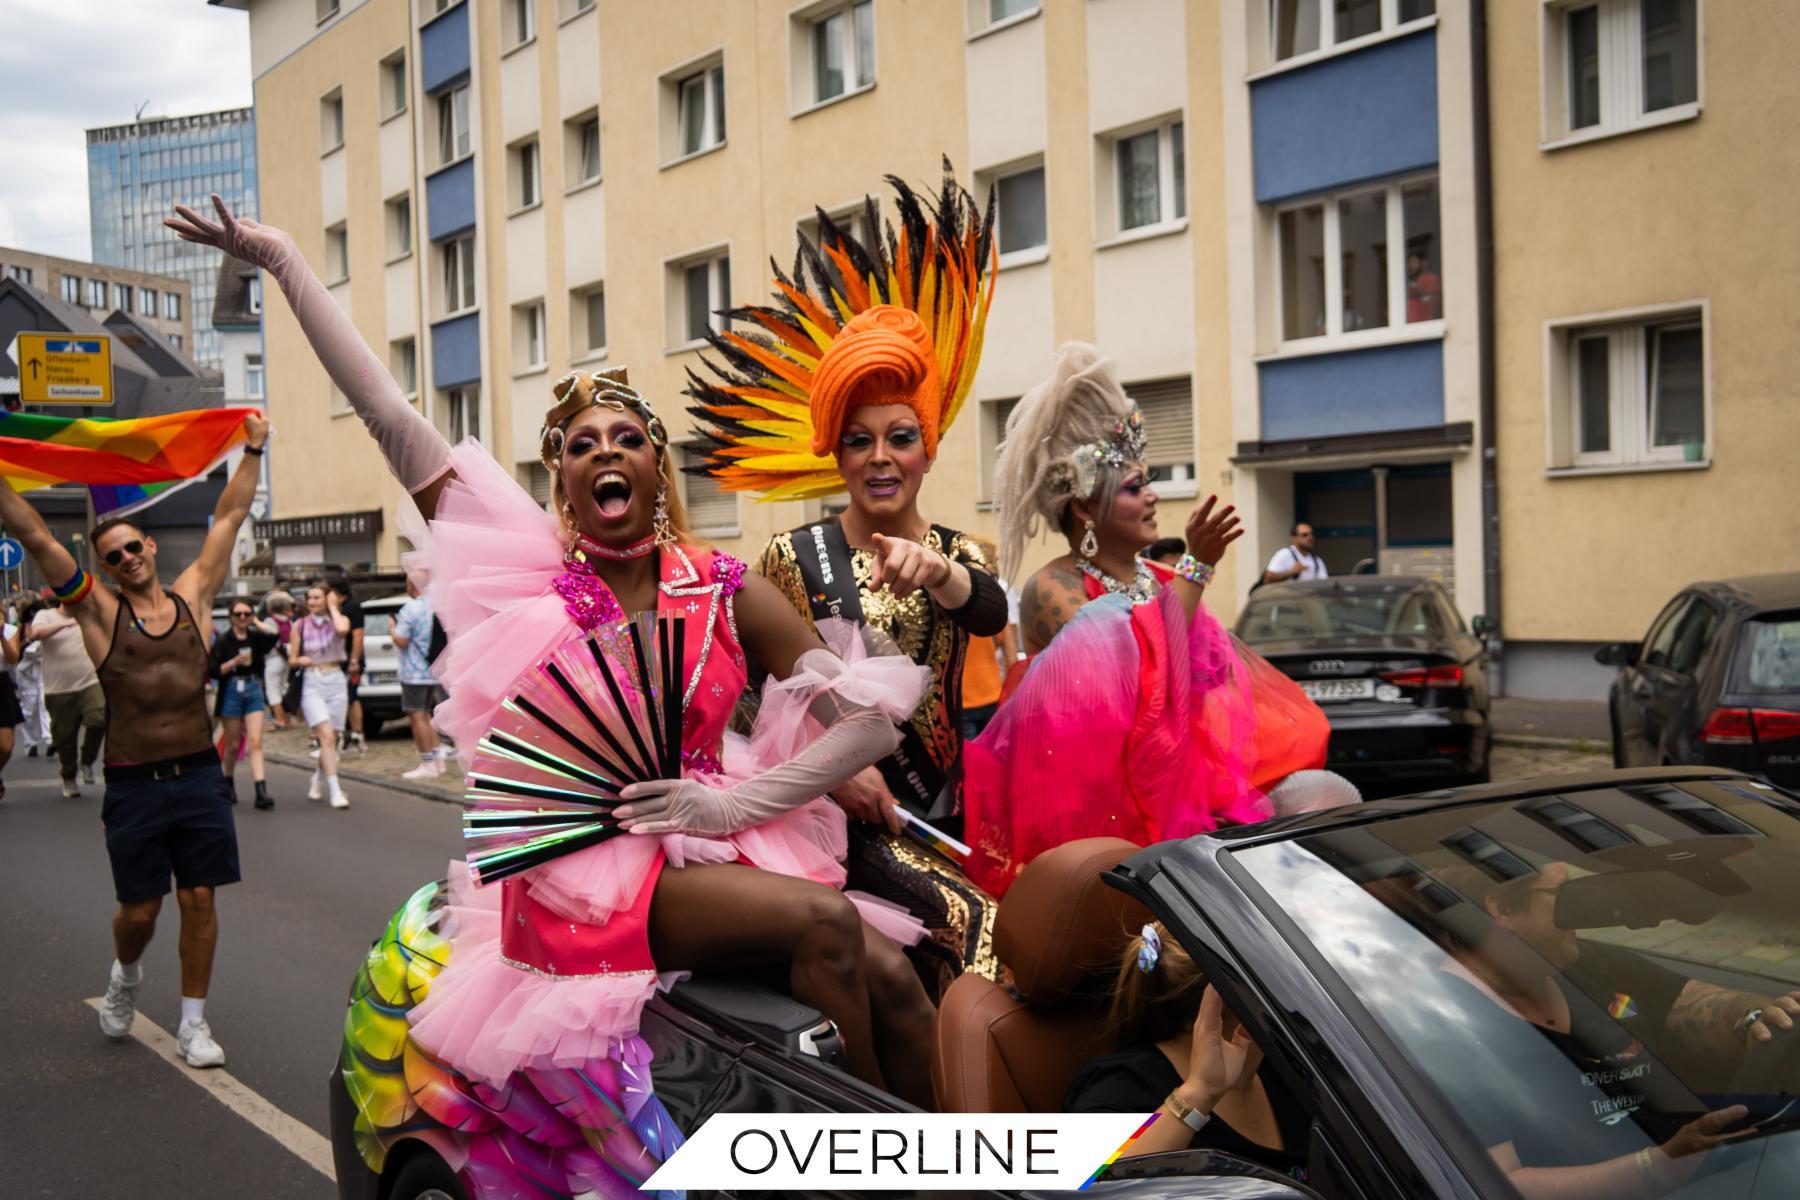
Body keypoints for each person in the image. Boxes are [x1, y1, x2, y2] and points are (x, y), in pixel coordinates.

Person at [170, 196, 954, 1188]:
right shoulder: (533, 581)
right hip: (596, 862)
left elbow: (870, 721)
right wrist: (284, 264)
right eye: (582, 444)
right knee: (829, 925)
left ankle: (969, 1160)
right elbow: (393, 420)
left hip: (719, 830)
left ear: (656, 468)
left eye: (626, 437)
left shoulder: (724, 589)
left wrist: (732, 804)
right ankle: (877, 1173)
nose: (605, 452)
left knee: (899, 975)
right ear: (565, 483)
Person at [686, 168, 1008, 988]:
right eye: (859, 441)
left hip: (943, 812)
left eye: (901, 436)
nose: (881, 458)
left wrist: (941, 572)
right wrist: (835, 767)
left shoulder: (959, 553)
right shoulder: (791, 557)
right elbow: (745, 700)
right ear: (837, 454)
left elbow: (991, 612)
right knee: (979, 940)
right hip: (829, 819)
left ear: (929, 448)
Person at [964, 343, 1335, 896]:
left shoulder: (1162, 578)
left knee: (1325, 802)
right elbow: (1135, 673)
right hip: (1102, 813)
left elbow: (1211, 681)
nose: (1155, 497)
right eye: (1135, 488)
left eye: (1151, 481)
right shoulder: (1053, 588)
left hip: (1191, 787)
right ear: (1084, 508)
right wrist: (1197, 566)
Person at [0, 411, 268, 1068]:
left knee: (199, 897)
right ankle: (125, 973)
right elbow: (33, 533)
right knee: (140, 912)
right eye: (113, 556)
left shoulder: (193, 595)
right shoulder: (96, 610)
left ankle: (193, 1023)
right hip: (134, 784)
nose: (126, 558)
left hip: (198, 774)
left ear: (149, 545)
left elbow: (229, 518)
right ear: (106, 567)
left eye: (132, 547)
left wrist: (254, 450)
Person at [1066, 921, 1309, 1175]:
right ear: (1226, 997)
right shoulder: (1122, 1087)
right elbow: (1079, 1183)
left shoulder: (1292, 1068)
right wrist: (1198, 1093)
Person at [29, 592, 107, 797]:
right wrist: (66, 624)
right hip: (59, 688)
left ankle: (87, 761)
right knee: (65, 738)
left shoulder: (88, 616)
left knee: (99, 718)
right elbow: (35, 633)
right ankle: (69, 776)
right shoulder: (46, 615)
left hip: (89, 681)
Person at [209, 598, 279, 809]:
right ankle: (228, 782)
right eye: (238, 614)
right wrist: (232, 663)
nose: (242, 617)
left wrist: (256, 622)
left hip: (253, 688)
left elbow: (275, 635)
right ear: (230, 617)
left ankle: (261, 790)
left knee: (255, 741)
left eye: (247, 614)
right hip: (231, 689)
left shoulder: (255, 638)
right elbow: (213, 670)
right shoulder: (223, 640)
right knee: (233, 744)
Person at [288, 584, 351, 808]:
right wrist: (299, 660)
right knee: (326, 736)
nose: (312, 602)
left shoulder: (339, 619)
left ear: (327, 599)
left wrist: (333, 608)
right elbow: (291, 659)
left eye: (317, 597)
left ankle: (317, 778)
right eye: (310, 598)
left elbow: (342, 630)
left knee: (333, 738)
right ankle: (335, 790)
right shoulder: (300, 625)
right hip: (313, 682)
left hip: (336, 680)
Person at [389, 576, 448, 780]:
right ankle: (438, 760)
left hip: (414, 673)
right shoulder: (438, 606)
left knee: (417, 717)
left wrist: (392, 629)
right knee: (427, 716)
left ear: (413, 584)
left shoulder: (411, 608)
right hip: (433, 670)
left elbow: (402, 640)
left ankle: (427, 762)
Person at [326, 574, 367, 755]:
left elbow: (358, 635)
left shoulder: (352, 606)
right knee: (344, 697)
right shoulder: (336, 607)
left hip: (351, 657)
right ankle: (345, 735)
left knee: (350, 697)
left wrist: (354, 661)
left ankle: (357, 735)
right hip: (339, 658)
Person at [8, 595, 51, 759]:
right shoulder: (20, 628)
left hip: (41, 669)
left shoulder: (47, 625)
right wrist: (28, 641)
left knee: (44, 703)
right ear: (32, 613)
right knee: (29, 707)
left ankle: (49, 739)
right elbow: (15, 650)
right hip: (25, 671)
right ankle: (30, 742)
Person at [261, 590, 294, 732]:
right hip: (287, 658)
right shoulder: (289, 622)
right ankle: (287, 719)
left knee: (272, 690)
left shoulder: (270, 621)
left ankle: (279, 720)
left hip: (273, 659)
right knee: (282, 689)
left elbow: (267, 634)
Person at [1262, 522, 1327, 585]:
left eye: (1312, 534)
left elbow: (1323, 583)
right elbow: (1267, 580)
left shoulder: (1317, 560)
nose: (1310, 537)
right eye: (1304, 535)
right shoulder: (1284, 554)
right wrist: (1292, 572)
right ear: (1293, 538)